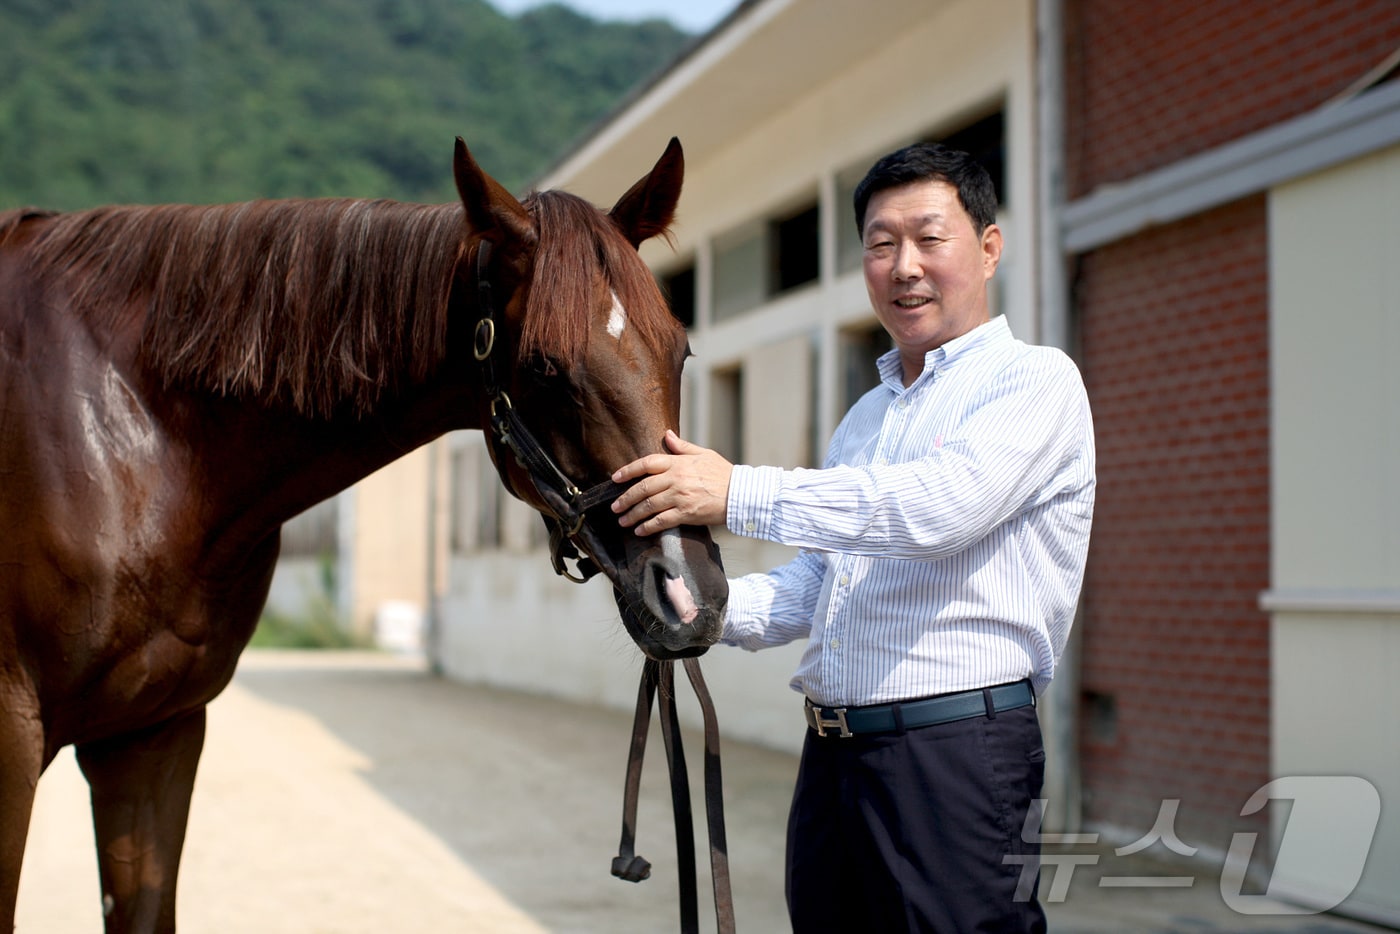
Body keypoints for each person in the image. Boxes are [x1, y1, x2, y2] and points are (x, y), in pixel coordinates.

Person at [610, 142, 1095, 933]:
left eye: (929, 238)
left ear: (989, 247)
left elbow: (939, 510)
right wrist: (698, 606)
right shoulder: (867, 417)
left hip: (955, 754)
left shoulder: (1034, 382)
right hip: (834, 758)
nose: (904, 265)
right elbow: (821, 584)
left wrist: (737, 490)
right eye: (880, 243)